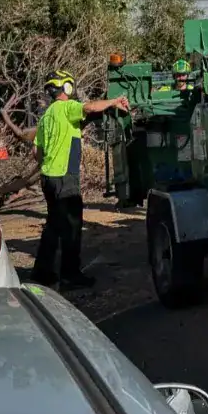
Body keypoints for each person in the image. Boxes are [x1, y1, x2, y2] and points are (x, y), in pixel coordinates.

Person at [30, 69, 130, 287]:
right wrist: (114, 101)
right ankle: (70, 275)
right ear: (67, 87)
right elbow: (89, 107)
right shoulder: (67, 108)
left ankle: (42, 272)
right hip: (65, 177)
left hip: (48, 178)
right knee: (72, 227)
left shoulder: (46, 116)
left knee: (53, 225)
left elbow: (36, 151)